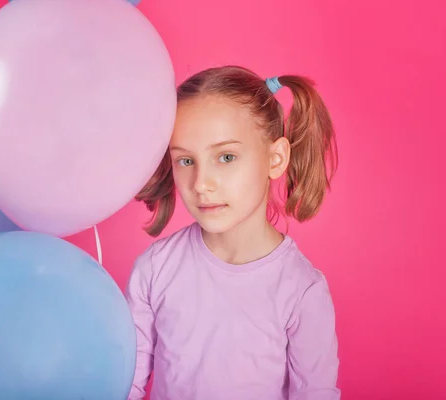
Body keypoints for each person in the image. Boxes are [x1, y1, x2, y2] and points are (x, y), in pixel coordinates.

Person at [125, 65, 340, 400]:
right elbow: (128, 382)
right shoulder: (155, 269)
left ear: (275, 158)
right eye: (185, 161)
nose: (201, 184)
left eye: (226, 157)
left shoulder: (302, 291)